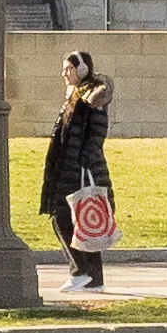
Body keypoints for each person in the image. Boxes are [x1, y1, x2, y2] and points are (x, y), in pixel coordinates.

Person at [40, 50, 115, 291]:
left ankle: (81, 271)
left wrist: (83, 160)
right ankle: (93, 278)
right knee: (78, 219)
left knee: (65, 217)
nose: (64, 73)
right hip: (68, 166)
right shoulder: (74, 95)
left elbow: (96, 134)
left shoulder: (92, 97)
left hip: (81, 169)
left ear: (81, 70)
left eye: (69, 69)